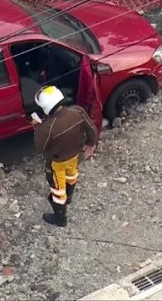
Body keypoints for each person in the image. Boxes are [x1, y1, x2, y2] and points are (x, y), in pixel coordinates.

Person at [32, 85, 98, 227]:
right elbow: (91, 128)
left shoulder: (47, 127)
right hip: (75, 156)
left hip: (57, 163)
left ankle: (60, 218)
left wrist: (37, 128)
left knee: (57, 189)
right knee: (72, 175)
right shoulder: (77, 111)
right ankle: (69, 196)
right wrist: (90, 144)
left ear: (46, 108)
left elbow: (40, 148)